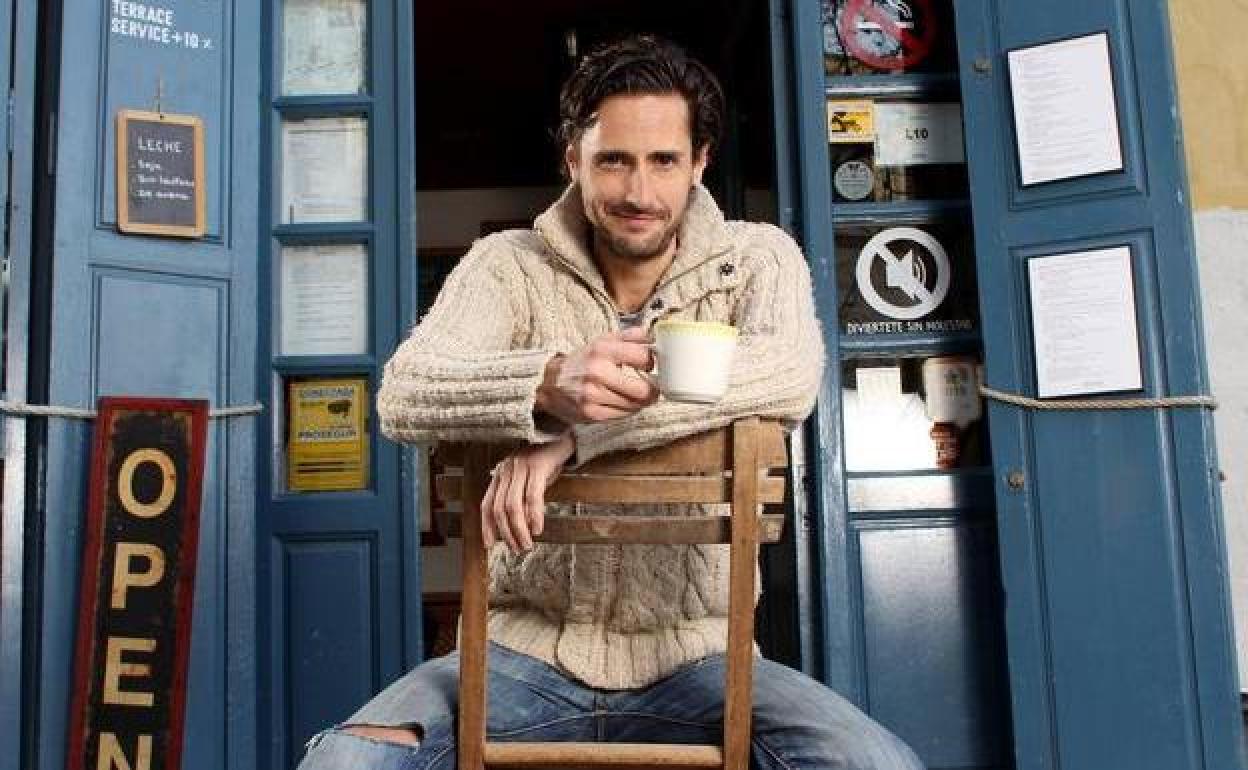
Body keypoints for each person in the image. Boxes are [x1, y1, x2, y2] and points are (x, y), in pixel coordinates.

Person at [298, 34, 923, 770]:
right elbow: (405, 392)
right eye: (614, 160)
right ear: (573, 158)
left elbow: (787, 372)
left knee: (880, 764)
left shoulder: (756, 258)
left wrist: (573, 438)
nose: (639, 192)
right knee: (342, 763)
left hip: (701, 659)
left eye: (664, 161)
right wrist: (545, 384)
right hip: (515, 655)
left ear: (700, 162)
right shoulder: (507, 265)